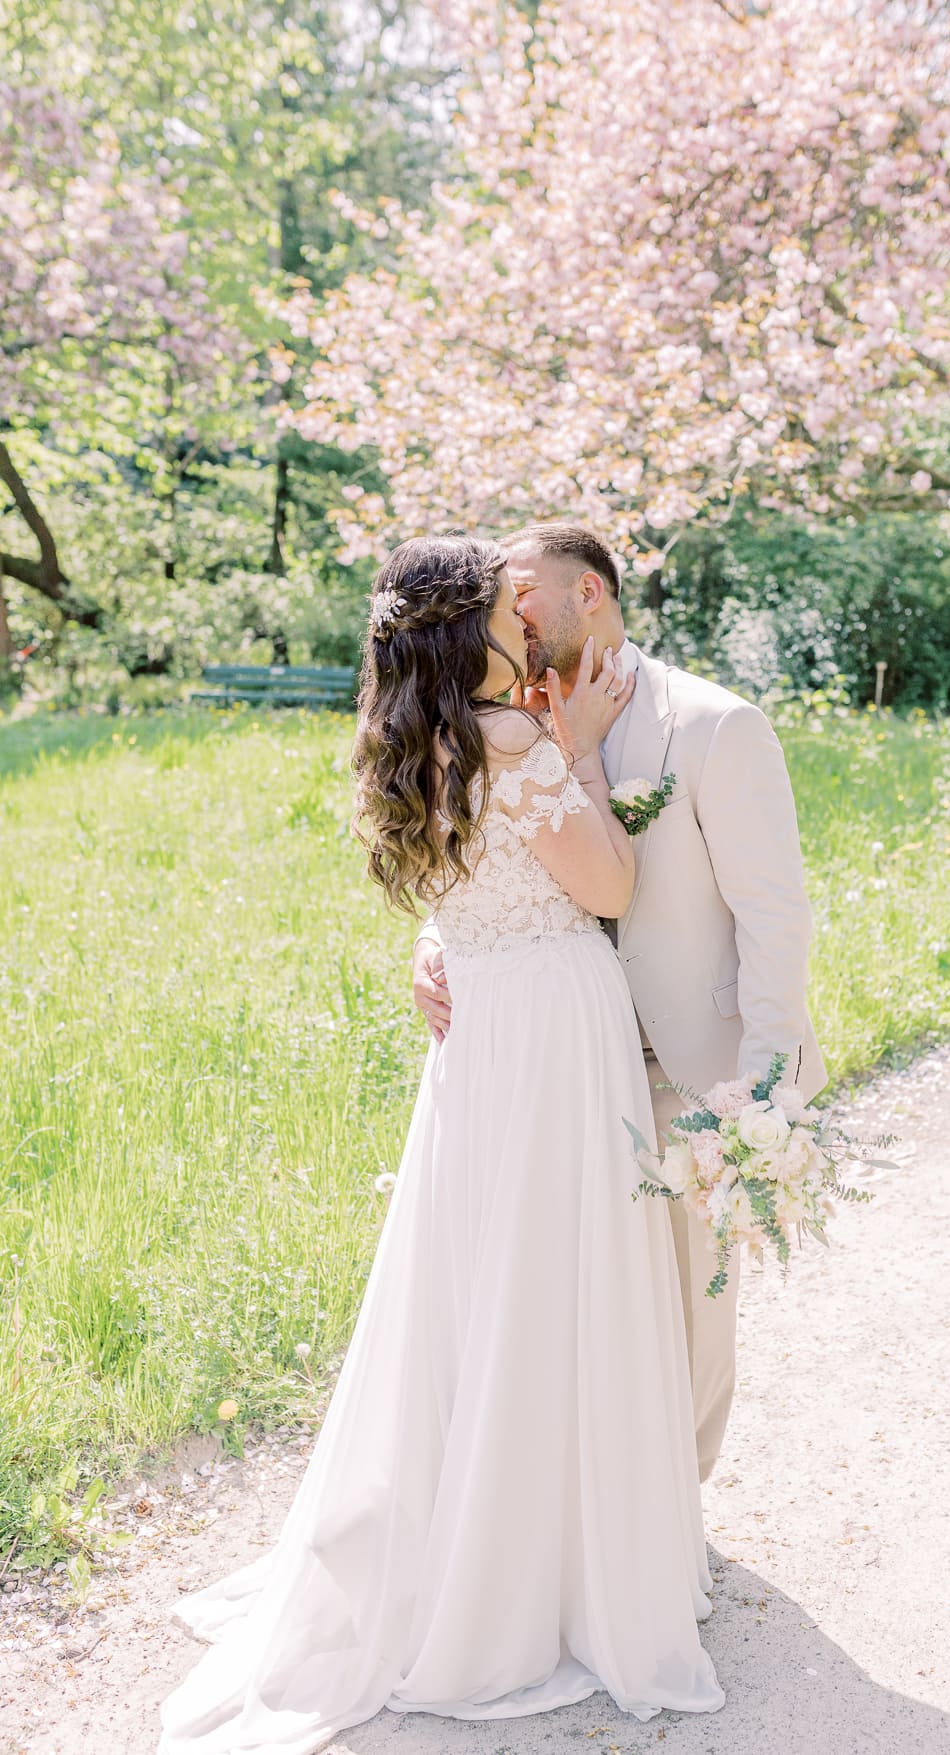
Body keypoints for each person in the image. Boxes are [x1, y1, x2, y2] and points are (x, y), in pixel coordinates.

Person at [157, 532, 724, 1755]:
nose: (534, 619)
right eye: (516, 606)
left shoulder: (420, 741)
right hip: (550, 1027)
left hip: (482, 1034)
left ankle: (484, 1524)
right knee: (552, 1279)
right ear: (478, 627)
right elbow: (612, 889)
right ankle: (542, 1570)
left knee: (481, 1283)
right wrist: (575, 754)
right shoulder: (518, 746)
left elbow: (451, 896)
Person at [414, 523, 825, 1485]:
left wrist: (760, 1093)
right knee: (567, 1304)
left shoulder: (714, 725)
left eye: (520, 590)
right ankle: (586, 1520)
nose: (504, 610)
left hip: (685, 1068)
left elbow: (776, 918)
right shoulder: (496, 720)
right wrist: (432, 945)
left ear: (588, 591)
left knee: (687, 1309)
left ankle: (676, 1518)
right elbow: (485, 872)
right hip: (557, 1070)